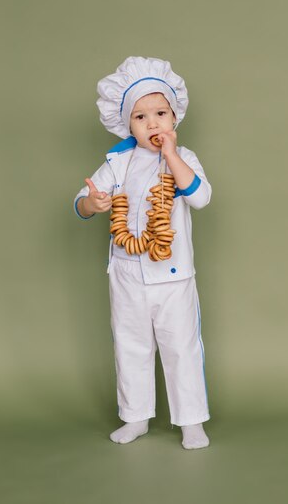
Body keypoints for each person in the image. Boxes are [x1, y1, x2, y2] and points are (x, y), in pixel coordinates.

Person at [74, 56, 211, 449]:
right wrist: (94, 203)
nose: (152, 123)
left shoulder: (185, 160)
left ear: (175, 119)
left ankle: (191, 422)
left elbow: (200, 197)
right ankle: (135, 417)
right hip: (127, 272)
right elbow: (83, 199)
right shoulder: (118, 162)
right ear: (126, 125)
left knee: (180, 347)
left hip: (173, 276)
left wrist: (171, 156)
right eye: (140, 117)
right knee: (130, 344)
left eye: (160, 113)